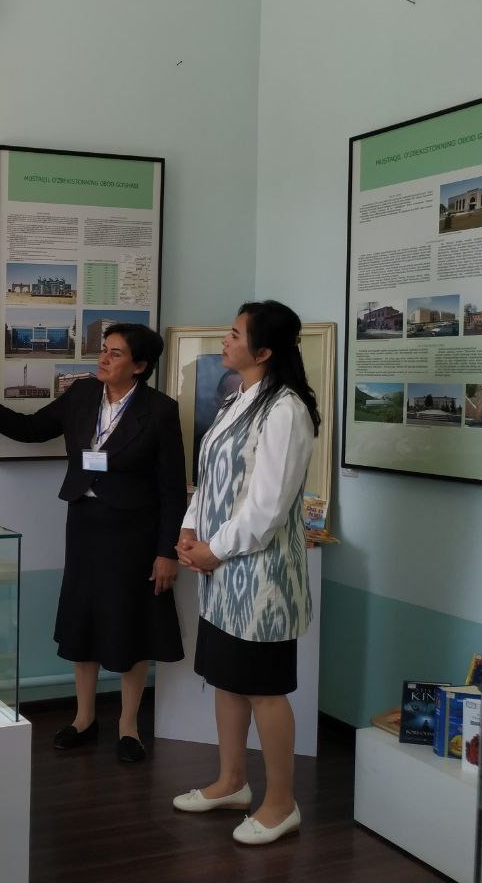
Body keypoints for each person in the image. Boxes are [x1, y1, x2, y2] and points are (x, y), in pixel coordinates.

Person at [0, 323, 185, 760]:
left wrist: (166, 551)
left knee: (130, 626)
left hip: (135, 534)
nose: (103, 358)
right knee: (83, 620)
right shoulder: (82, 394)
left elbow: (172, 489)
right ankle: (84, 718)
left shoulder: (159, 410)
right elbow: (33, 428)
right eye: (104, 349)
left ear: (139, 366)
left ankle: (129, 727)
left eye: (115, 353)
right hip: (84, 523)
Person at [171, 300, 320, 846]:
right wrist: (190, 529)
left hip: (262, 579)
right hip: (222, 574)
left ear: (264, 351)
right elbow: (210, 478)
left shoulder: (286, 410)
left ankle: (281, 803)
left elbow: (268, 508)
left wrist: (214, 549)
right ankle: (231, 782)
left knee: (265, 691)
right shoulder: (239, 399)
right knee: (227, 679)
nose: (225, 341)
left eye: (235, 334)